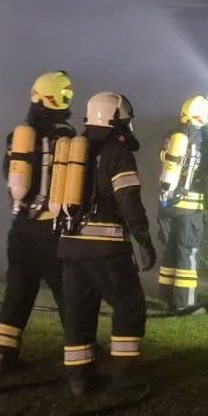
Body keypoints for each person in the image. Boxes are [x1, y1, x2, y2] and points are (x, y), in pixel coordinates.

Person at [57, 91, 156, 397]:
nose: (128, 126)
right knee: (129, 306)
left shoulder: (75, 147)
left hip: (70, 246)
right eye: (125, 121)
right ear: (115, 119)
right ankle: (125, 378)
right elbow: (128, 200)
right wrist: (142, 238)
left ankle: (79, 378)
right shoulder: (117, 152)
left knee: (79, 311)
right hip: (106, 247)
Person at [0, 71, 75, 377]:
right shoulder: (67, 138)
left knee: (17, 291)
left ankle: (3, 356)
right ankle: (79, 352)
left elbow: (9, 177)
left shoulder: (18, 138)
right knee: (67, 290)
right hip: (52, 231)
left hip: (20, 227)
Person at [157, 95, 208, 312]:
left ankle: (166, 297)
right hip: (189, 206)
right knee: (187, 251)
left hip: (166, 203)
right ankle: (185, 303)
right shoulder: (200, 139)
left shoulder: (171, 134)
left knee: (169, 249)